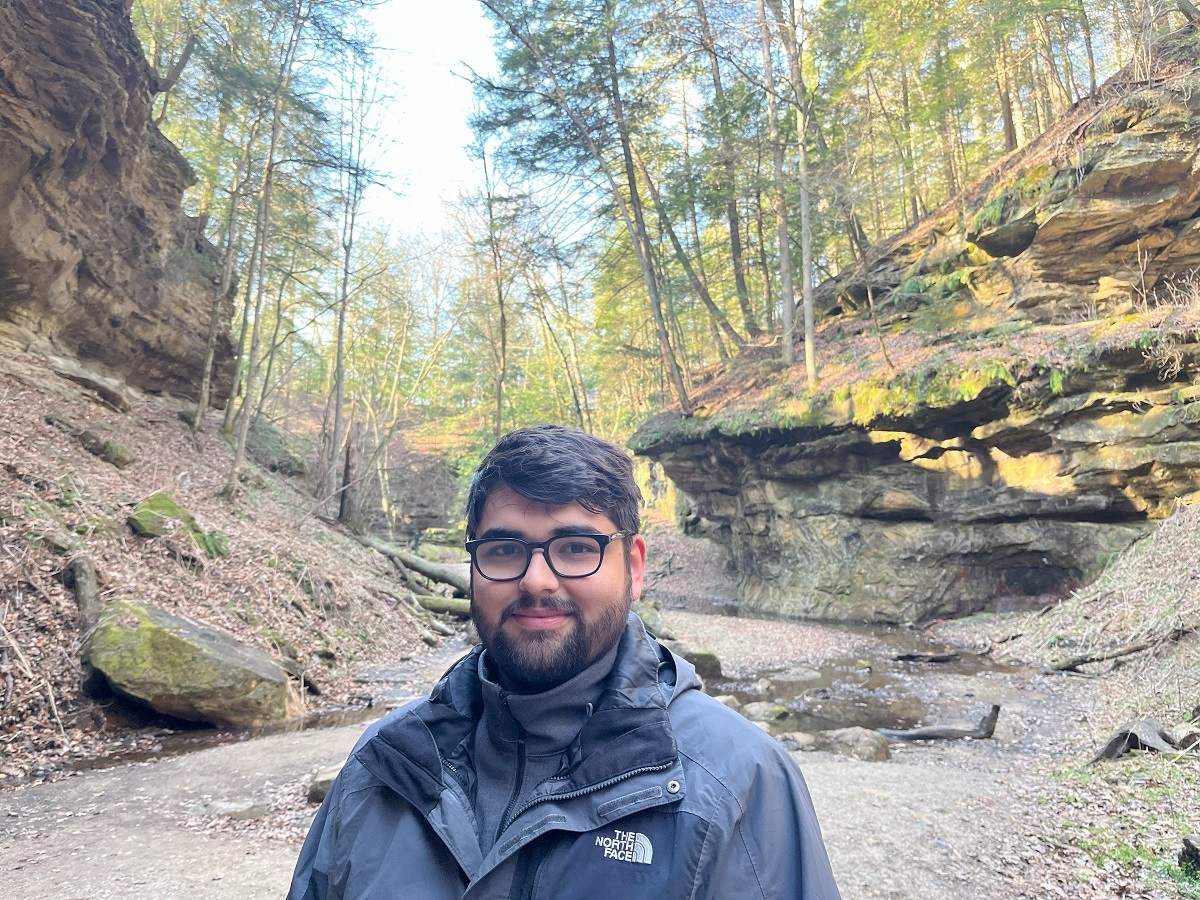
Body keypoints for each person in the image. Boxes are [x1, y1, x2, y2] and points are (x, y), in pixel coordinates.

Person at [288, 425, 841, 900]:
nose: (536, 580)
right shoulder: (386, 765)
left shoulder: (739, 780)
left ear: (634, 567)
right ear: (474, 566)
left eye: (576, 547)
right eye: (504, 549)